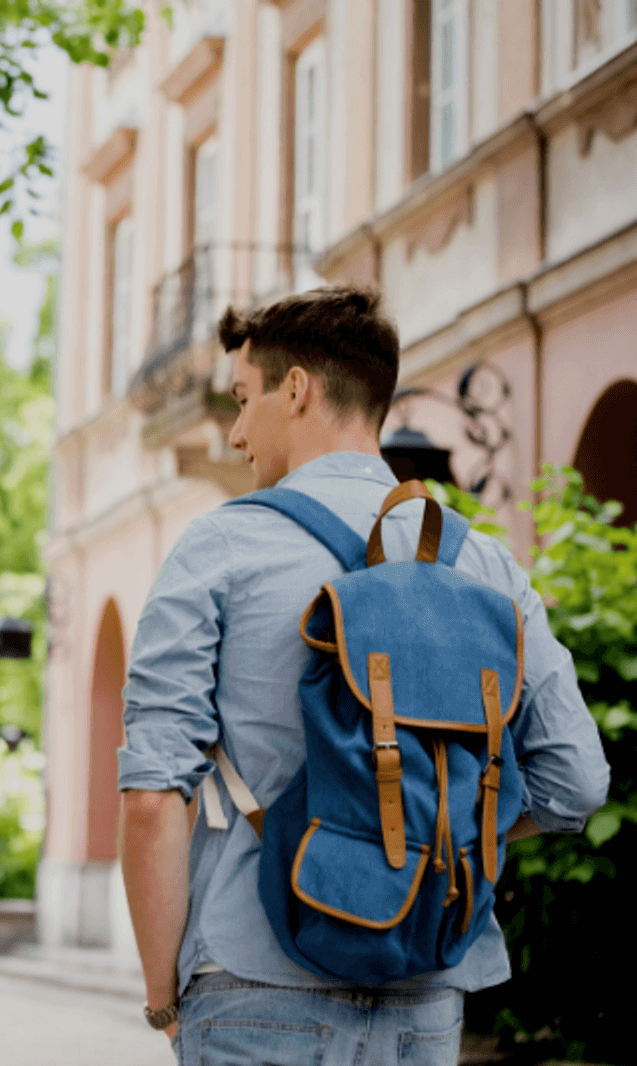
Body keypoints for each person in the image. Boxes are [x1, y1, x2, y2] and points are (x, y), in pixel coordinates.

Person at [117, 287, 610, 1065]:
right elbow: (576, 779)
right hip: (426, 988)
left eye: (244, 400)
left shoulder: (218, 549)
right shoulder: (487, 565)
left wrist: (161, 997)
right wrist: (432, 831)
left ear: (298, 388)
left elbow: (152, 800)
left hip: (253, 982)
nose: (239, 432)